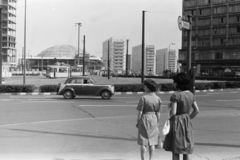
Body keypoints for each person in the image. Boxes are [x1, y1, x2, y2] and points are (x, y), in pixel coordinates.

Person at [163, 72, 200, 160]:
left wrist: (170, 110)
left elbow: (174, 112)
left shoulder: (175, 95)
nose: (174, 83)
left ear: (178, 83)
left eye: (175, 81)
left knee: (175, 149)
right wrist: (188, 118)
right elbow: (196, 110)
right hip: (187, 122)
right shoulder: (191, 94)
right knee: (186, 148)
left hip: (176, 122)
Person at [136, 79, 162, 160]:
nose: (144, 87)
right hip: (154, 119)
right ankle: (151, 158)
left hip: (144, 118)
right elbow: (158, 112)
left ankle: (143, 159)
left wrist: (138, 122)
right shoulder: (158, 98)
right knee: (152, 142)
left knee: (143, 142)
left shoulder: (143, 98)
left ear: (148, 87)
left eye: (145, 86)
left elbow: (140, 112)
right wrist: (157, 122)